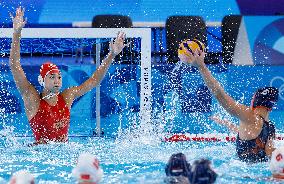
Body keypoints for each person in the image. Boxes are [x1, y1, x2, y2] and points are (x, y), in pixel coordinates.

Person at [9, 7, 128, 144]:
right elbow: (15, 65)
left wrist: (111, 54)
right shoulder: (33, 100)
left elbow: (94, 80)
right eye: (52, 77)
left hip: (64, 153)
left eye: (59, 77)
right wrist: (16, 33)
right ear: (42, 80)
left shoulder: (67, 97)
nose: (57, 81)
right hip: (39, 152)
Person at [180, 49, 278, 163]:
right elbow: (267, 151)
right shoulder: (270, 128)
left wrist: (201, 66)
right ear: (270, 107)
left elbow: (220, 95)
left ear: (254, 101)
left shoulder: (250, 116)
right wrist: (227, 124)